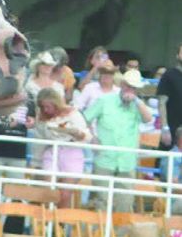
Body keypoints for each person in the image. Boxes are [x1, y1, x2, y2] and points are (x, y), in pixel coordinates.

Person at [83, 70, 153, 210]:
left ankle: (120, 233)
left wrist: (136, 100)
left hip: (127, 162)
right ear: (121, 84)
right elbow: (84, 119)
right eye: (128, 86)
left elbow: (148, 118)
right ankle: (100, 232)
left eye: (134, 87)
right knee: (101, 204)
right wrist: (92, 137)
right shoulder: (104, 100)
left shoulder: (137, 105)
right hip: (104, 159)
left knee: (125, 205)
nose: (130, 90)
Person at [31, 87, 90, 196]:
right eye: (42, 107)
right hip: (51, 151)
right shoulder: (42, 119)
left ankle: (62, 213)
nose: (45, 110)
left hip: (72, 152)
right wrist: (36, 163)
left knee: (65, 194)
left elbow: (86, 136)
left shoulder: (73, 114)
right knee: (49, 191)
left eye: (48, 107)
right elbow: (40, 140)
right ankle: (47, 211)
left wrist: (75, 133)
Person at [156, 43, 182, 150]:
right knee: (167, 163)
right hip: (172, 129)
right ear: (177, 55)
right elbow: (162, 102)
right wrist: (165, 128)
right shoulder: (169, 75)